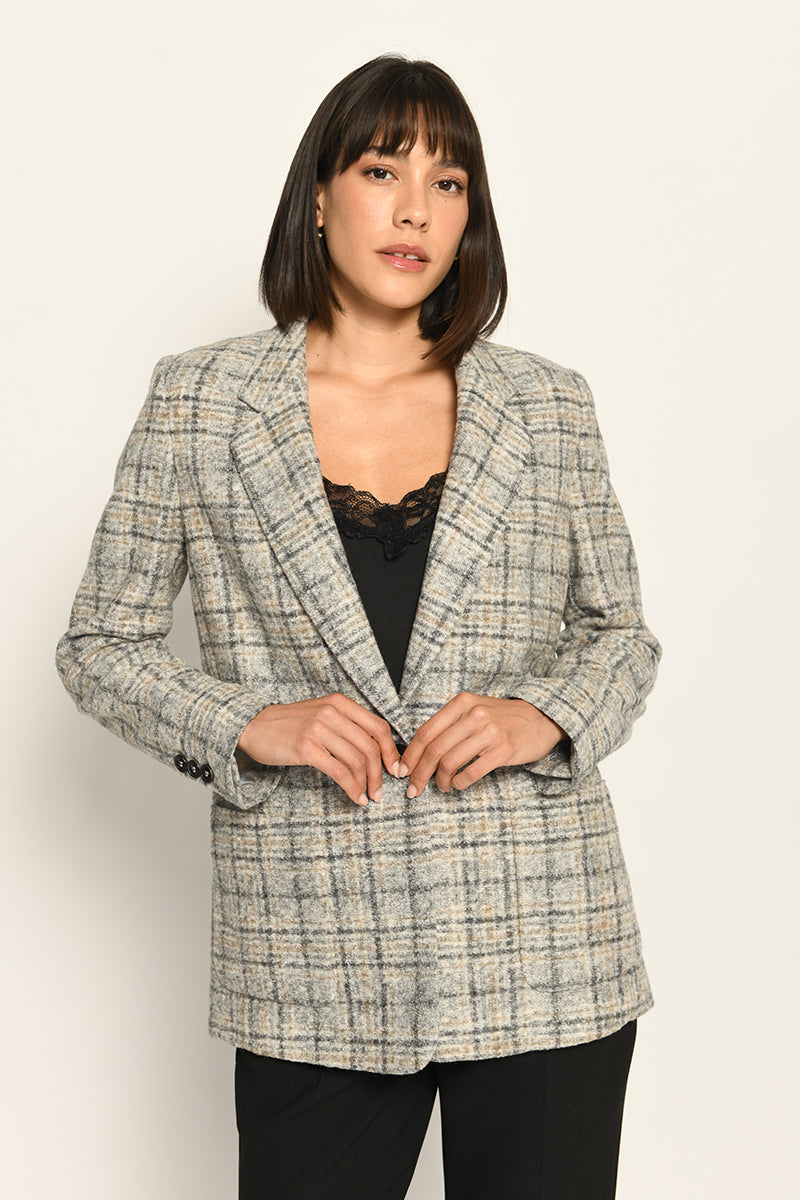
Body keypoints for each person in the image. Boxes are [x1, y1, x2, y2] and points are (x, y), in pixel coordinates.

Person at [56, 54, 663, 1200]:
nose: (413, 209)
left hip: (541, 939)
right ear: (319, 196)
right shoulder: (200, 402)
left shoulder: (546, 403)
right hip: (310, 955)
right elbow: (99, 647)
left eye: (448, 182)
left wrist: (540, 713)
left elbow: (620, 635)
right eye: (383, 170)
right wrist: (249, 722)